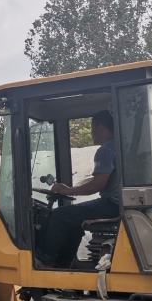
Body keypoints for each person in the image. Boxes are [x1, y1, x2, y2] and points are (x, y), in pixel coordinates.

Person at [40, 110, 120, 267]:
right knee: (73, 220)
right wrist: (72, 188)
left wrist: (67, 190)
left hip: (112, 205)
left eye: (92, 128)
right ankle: (64, 263)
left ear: (99, 126)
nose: (92, 133)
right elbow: (103, 179)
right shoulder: (121, 147)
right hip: (120, 204)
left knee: (58, 216)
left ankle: (43, 260)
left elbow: (98, 185)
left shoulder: (106, 150)